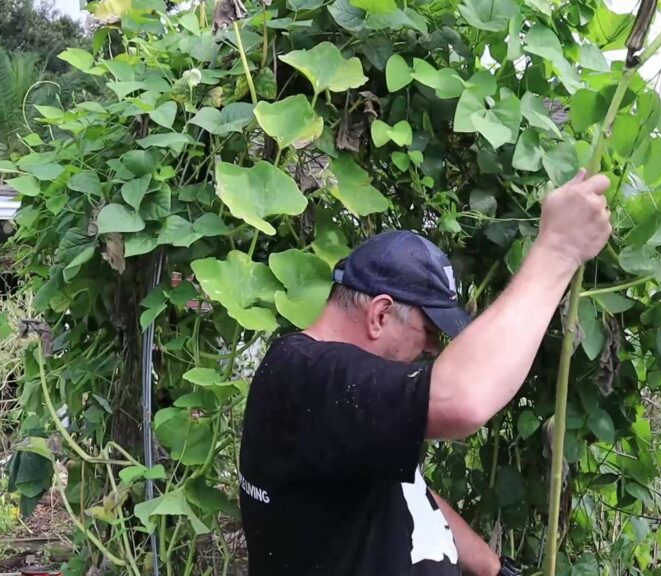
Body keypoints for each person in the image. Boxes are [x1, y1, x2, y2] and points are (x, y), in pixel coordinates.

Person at [238, 170, 612, 575]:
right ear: (380, 314)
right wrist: (558, 249)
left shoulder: (343, 406)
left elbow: (405, 488)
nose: (433, 350)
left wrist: (492, 568)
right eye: (429, 332)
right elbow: (462, 399)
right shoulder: (309, 376)